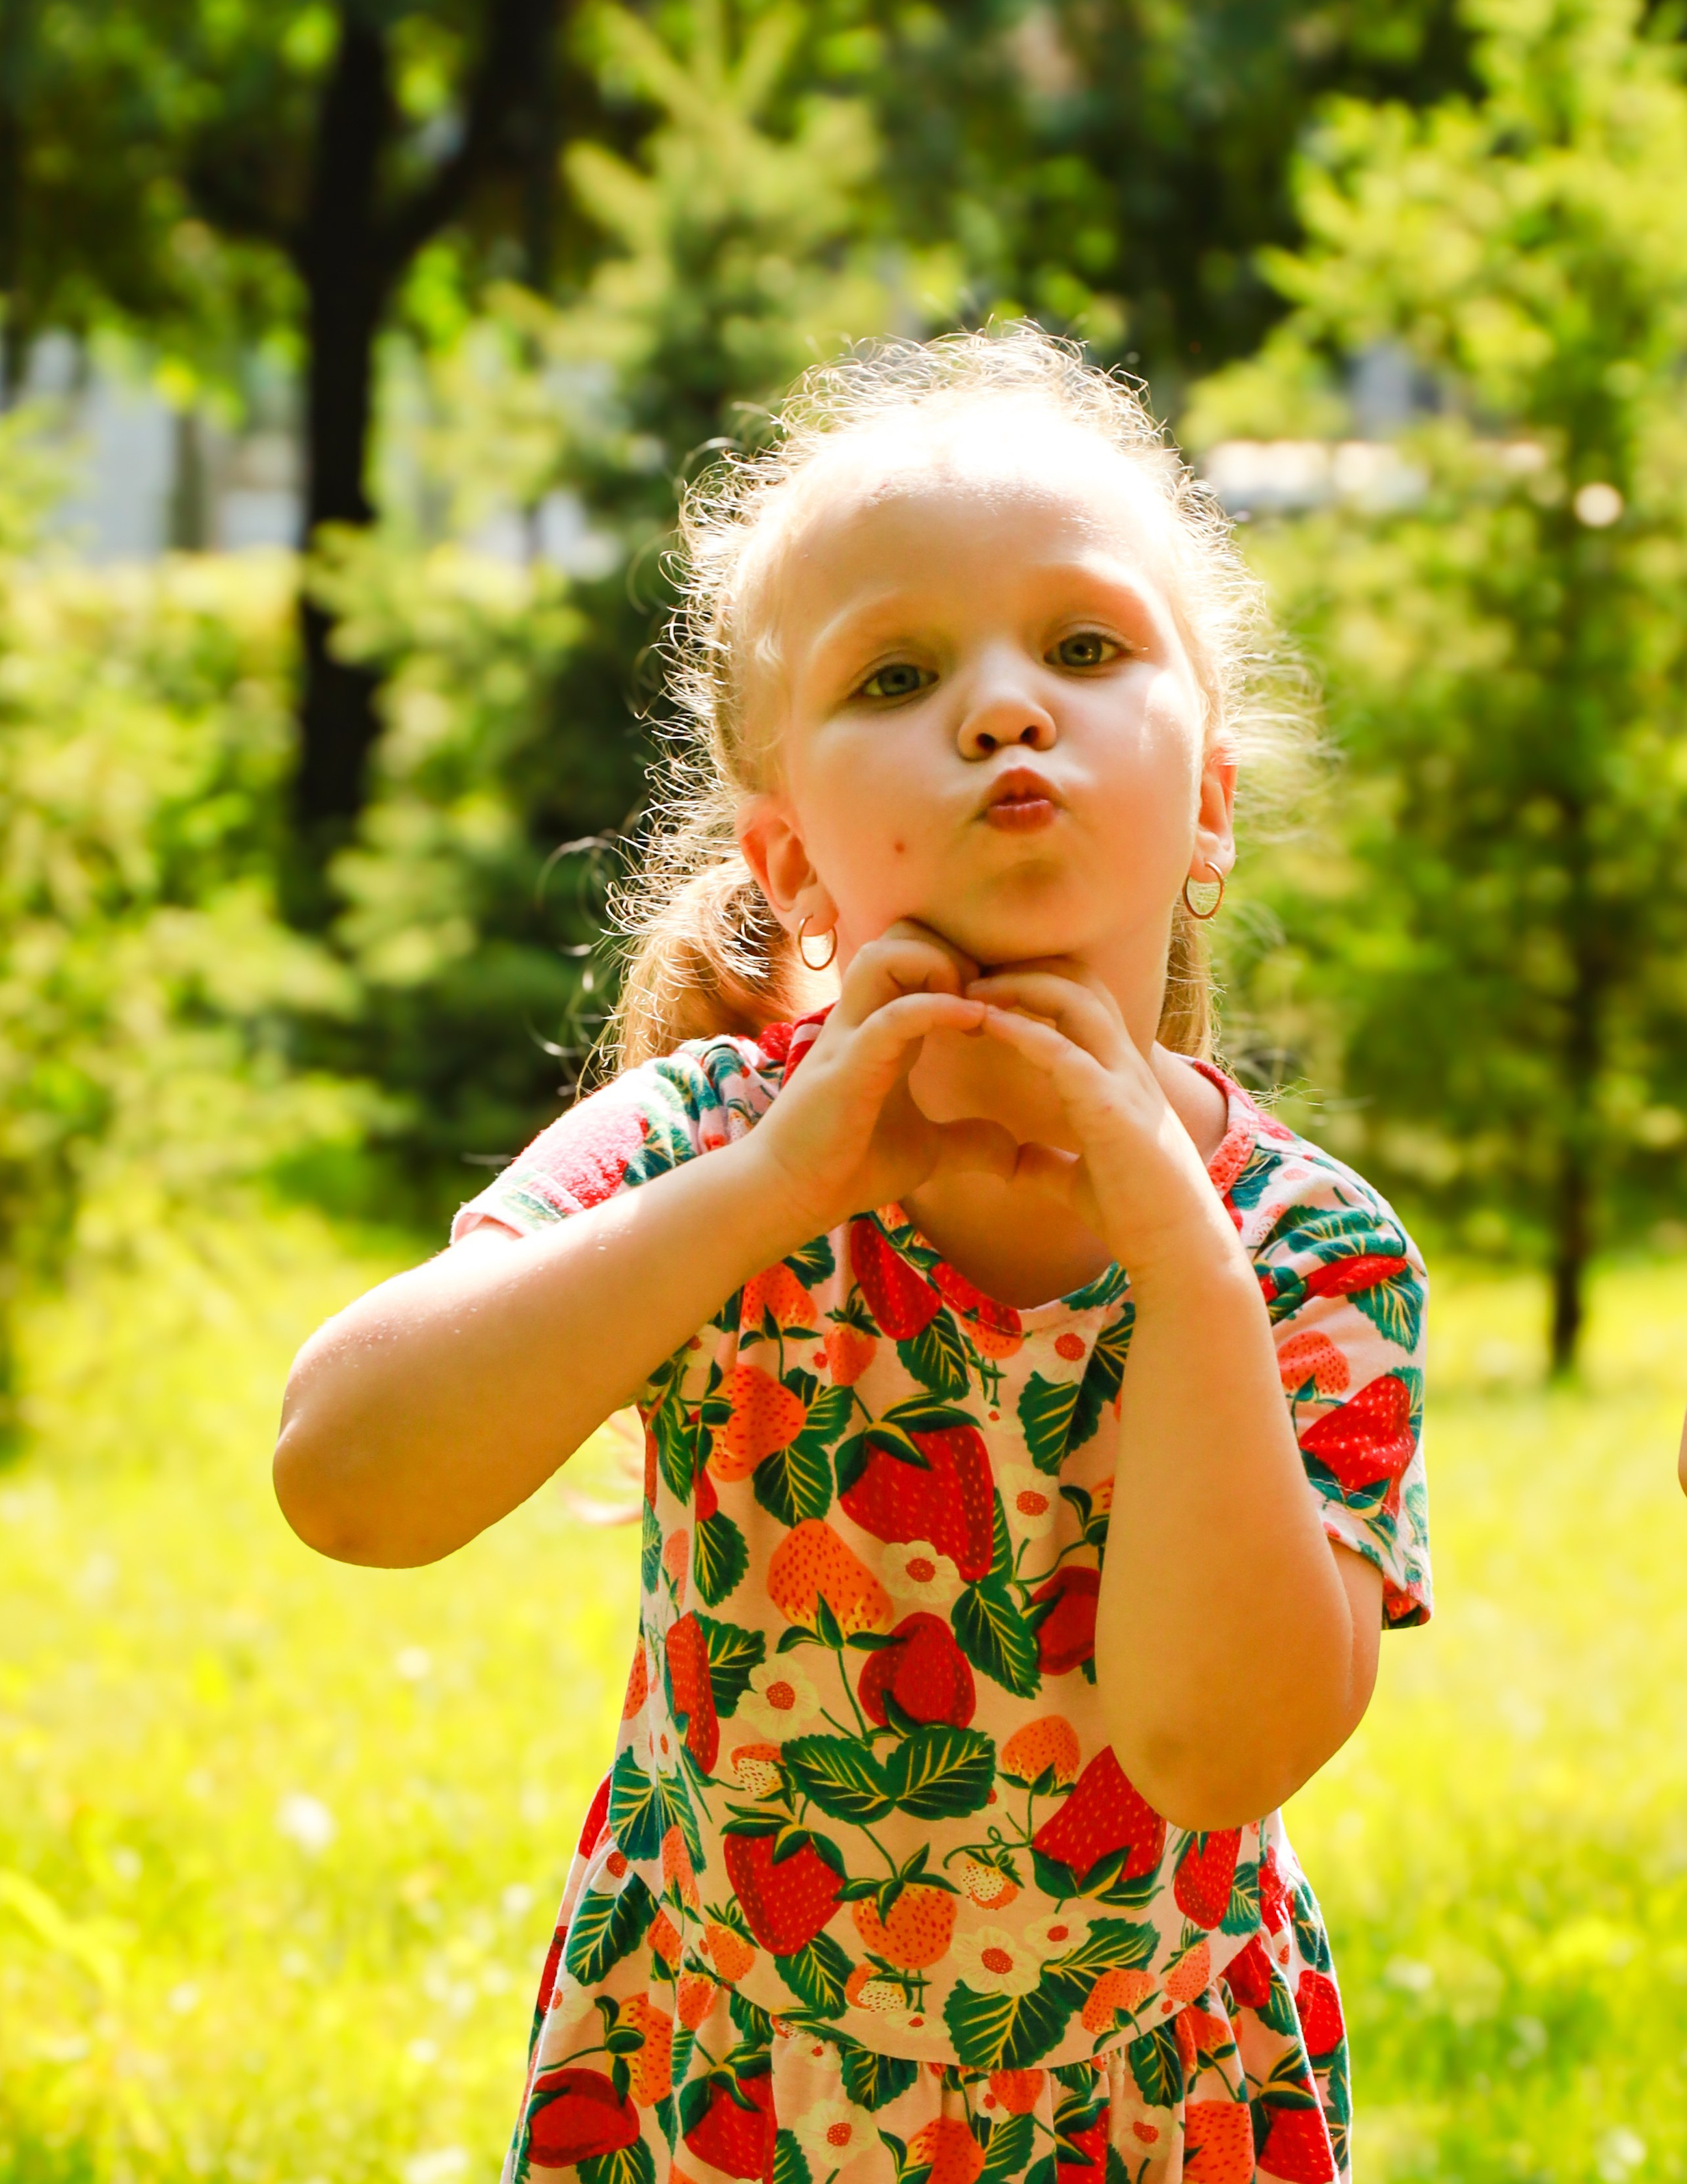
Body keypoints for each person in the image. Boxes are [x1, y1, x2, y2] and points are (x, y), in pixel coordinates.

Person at [274, 328, 1430, 2184]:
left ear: (1207, 799)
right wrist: (760, 1195)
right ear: (794, 860)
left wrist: (1175, 1241)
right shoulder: (703, 1149)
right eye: (900, 670)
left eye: (1083, 645)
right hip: (723, 2083)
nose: (1000, 709)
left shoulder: (1307, 1252)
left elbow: (1221, 1747)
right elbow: (341, 1472)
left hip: (1142, 2106)